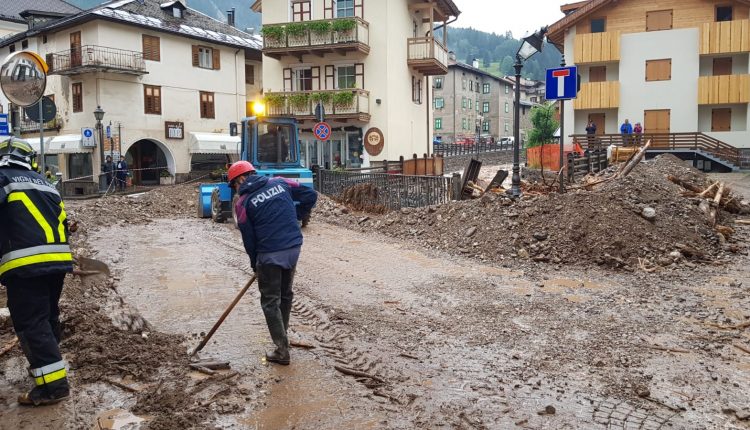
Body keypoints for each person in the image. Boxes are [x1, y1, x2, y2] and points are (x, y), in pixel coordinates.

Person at [0, 137, 73, 406]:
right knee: (48, 317)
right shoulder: (48, 185)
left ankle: (53, 386)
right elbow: (64, 223)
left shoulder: (3, 178)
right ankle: (47, 367)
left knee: (32, 323)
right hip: (58, 262)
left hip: (24, 265)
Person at [228, 161, 317, 365]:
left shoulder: (243, 203)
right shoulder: (280, 182)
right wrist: (298, 215)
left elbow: (249, 240)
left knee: (270, 301)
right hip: (293, 248)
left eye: (234, 185)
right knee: (285, 294)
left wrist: (254, 264)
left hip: (270, 255)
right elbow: (311, 196)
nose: (235, 189)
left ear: (240, 180)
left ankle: (281, 350)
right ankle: (283, 336)